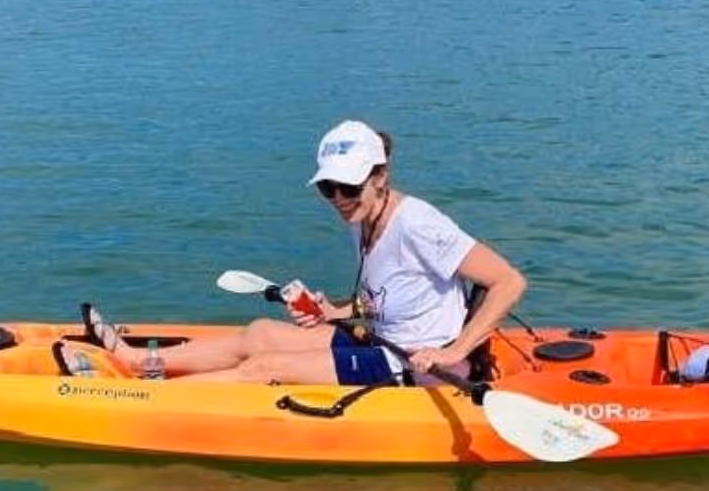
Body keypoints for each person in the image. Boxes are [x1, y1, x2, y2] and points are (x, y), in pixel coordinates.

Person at [80, 119, 527, 385]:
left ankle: (144, 397)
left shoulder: (418, 224)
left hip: (413, 363)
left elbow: (508, 282)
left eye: (348, 186)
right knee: (260, 333)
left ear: (380, 177)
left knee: (265, 366)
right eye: (328, 188)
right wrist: (336, 311)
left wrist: (454, 351)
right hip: (382, 338)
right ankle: (139, 361)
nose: (338, 199)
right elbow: (394, 296)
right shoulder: (364, 216)